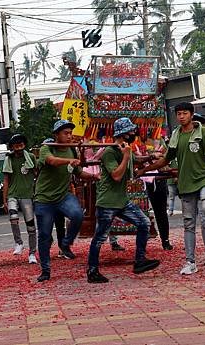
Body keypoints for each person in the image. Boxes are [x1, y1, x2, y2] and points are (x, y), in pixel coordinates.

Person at [138, 102, 205, 275]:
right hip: (186, 183)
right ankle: (190, 261)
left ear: (192, 114)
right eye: (178, 114)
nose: (181, 116)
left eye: (184, 113)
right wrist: (146, 169)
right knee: (189, 223)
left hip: (204, 179)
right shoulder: (176, 135)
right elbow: (166, 159)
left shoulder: (203, 132)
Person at [87, 118, 160, 283]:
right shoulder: (110, 152)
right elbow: (117, 176)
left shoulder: (126, 149)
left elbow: (136, 160)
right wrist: (126, 157)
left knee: (144, 223)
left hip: (121, 200)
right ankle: (92, 271)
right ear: (123, 134)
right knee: (100, 237)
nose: (134, 133)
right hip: (107, 202)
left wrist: (150, 157)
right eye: (131, 131)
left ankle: (140, 261)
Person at [34, 120, 99, 282]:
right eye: (66, 133)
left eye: (70, 133)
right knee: (44, 235)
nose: (70, 136)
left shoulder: (72, 150)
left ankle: (66, 243)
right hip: (44, 199)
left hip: (63, 195)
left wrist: (92, 176)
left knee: (77, 214)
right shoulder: (46, 148)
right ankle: (46, 270)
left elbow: (78, 172)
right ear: (56, 135)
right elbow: (52, 161)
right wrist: (69, 161)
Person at [2, 134, 38, 264]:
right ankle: (18, 242)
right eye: (16, 144)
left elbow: (37, 174)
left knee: (31, 226)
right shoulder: (9, 159)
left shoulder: (31, 157)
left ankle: (32, 253)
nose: (19, 146)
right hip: (13, 193)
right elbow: (5, 180)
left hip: (27, 195)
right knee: (13, 217)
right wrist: (4, 198)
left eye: (21, 143)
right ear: (12, 146)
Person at [142, 139, 173, 250]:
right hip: (141, 177)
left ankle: (165, 240)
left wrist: (156, 157)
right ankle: (141, 244)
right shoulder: (133, 140)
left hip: (158, 179)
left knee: (161, 212)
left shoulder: (159, 139)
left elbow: (165, 156)